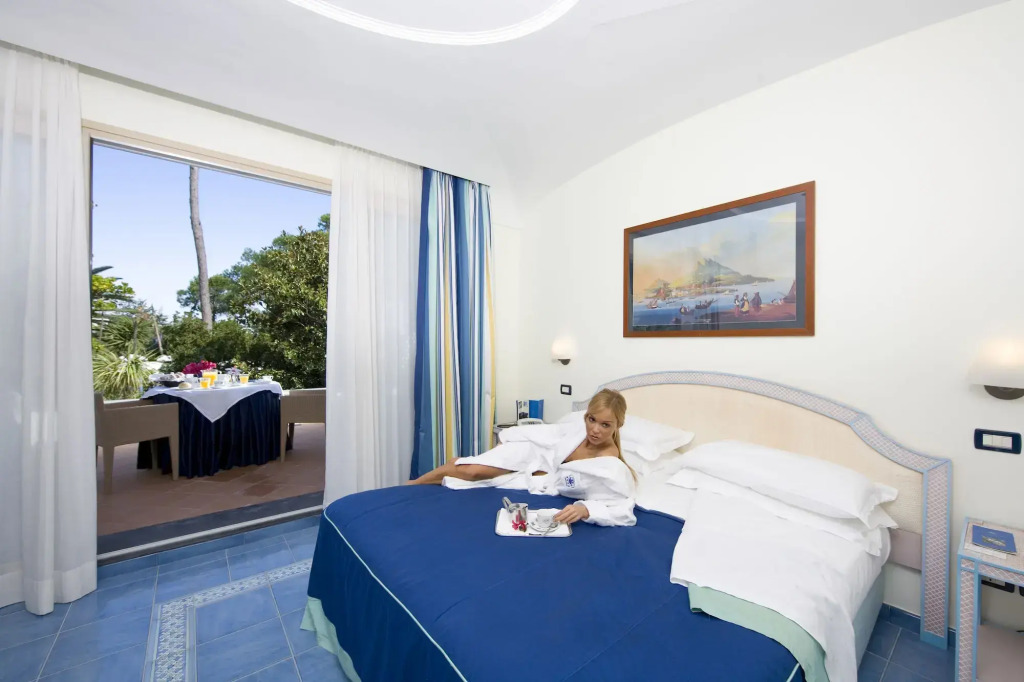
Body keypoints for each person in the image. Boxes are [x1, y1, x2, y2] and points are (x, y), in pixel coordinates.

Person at [407, 389, 636, 526]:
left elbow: (622, 507)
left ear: (619, 425)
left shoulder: (609, 465)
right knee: (472, 471)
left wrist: (586, 509)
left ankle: (432, 477)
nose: (595, 430)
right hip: (531, 452)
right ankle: (413, 485)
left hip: (537, 477)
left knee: (471, 473)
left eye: (605, 425)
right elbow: (546, 432)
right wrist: (508, 437)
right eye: (591, 419)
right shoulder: (578, 430)